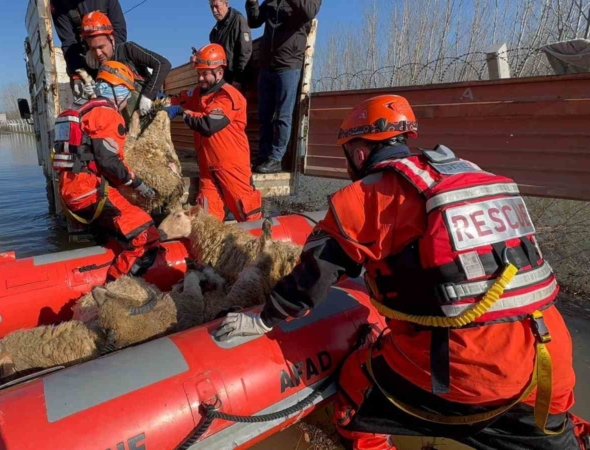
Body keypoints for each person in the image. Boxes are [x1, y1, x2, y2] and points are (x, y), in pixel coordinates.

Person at [215, 94, 590, 449]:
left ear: (359, 151)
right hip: (550, 352)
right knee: (551, 430)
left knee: (355, 391)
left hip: (470, 368)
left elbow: (314, 276)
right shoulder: (474, 178)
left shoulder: (368, 196)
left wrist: (264, 319)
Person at [55, 61, 159, 280]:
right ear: (115, 88)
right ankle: (116, 288)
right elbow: (109, 162)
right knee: (146, 235)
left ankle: (106, 263)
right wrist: (137, 183)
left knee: (114, 231)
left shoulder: (84, 109)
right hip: (89, 191)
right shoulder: (107, 114)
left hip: (70, 189)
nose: (125, 99)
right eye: (125, 93)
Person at [163, 44, 262, 223]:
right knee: (207, 222)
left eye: (205, 73)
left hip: (231, 168)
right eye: (198, 73)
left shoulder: (228, 97)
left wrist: (182, 111)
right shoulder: (199, 93)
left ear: (219, 72)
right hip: (208, 171)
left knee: (249, 218)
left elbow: (208, 124)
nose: (200, 78)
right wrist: (160, 102)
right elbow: (177, 99)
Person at [247, 0, 320, 174]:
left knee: (283, 115)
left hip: (288, 65)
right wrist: (252, 3)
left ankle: (276, 158)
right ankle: (263, 156)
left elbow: (309, 12)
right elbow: (254, 21)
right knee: (264, 115)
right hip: (267, 65)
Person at [81, 11, 172, 118]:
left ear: (111, 39)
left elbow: (163, 64)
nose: (98, 54)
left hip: (145, 115)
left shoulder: (128, 50)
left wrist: (148, 95)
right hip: (119, 122)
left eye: (101, 47)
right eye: (93, 49)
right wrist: (93, 93)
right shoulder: (94, 65)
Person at [50, 0, 127, 77]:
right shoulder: (59, 4)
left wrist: (108, 61)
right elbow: (68, 42)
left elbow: (120, 32)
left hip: (113, 57)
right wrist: (77, 73)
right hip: (83, 62)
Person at [208, 0, 252, 89]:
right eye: (212, 7)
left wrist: (238, 79)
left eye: (216, 6)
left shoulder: (238, 20)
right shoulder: (214, 32)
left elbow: (245, 52)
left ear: (226, 4)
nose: (214, 11)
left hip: (235, 81)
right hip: (221, 81)